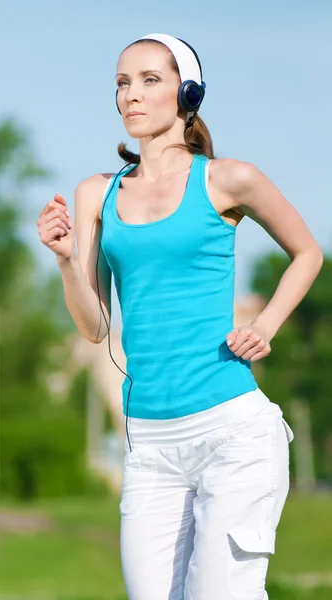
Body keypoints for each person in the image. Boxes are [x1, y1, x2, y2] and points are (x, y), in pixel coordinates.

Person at [37, 32, 323, 600]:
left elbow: (307, 253)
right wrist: (68, 262)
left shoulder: (225, 179)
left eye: (149, 80)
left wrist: (264, 325)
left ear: (186, 93)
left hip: (232, 435)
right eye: (122, 83)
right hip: (149, 447)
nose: (131, 96)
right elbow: (95, 327)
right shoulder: (98, 193)